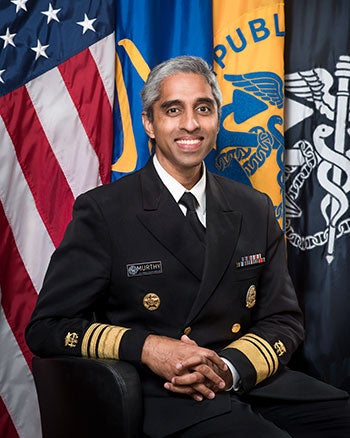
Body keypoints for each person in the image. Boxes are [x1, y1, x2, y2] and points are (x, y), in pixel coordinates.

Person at [26, 56, 350, 437]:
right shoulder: (105, 211)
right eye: (172, 110)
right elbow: (47, 328)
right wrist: (148, 348)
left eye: (203, 109)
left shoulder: (253, 207)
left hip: (244, 379)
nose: (191, 124)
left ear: (217, 120)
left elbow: (284, 319)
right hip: (162, 395)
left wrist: (228, 369)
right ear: (149, 123)